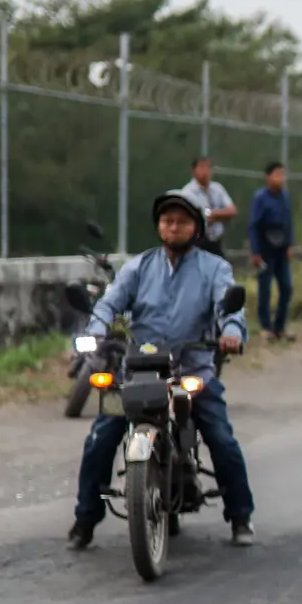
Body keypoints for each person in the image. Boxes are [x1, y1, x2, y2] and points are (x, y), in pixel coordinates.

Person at [69, 191, 254, 549]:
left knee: (222, 438)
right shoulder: (139, 267)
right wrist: (96, 331)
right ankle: (85, 519)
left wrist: (231, 332)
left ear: (196, 229)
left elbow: (229, 306)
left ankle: (240, 515)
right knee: (100, 439)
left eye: (181, 222)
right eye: (167, 221)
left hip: (191, 370)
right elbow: (109, 303)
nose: (173, 228)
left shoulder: (215, 269)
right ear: (158, 226)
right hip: (138, 372)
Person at [247, 162, 295, 343]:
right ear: (268, 177)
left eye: (282, 174)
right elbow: (253, 225)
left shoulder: (285, 196)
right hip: (265, 246)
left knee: (286, 287)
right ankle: (265, 327)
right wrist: (255, 251)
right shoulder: (260, 198)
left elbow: (289, 222)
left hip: (281, 246)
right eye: (277, 174)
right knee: (265, 288)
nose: (281, 178)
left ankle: (280, 326)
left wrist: (289, 244)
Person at [180, 156, 237, 259]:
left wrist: (214, 214)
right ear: (193, 171)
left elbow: (232, 211)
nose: (205, 171)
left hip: (216, 241)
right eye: (202, 167)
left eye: (208, 167)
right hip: (197, 242)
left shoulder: (218, 189)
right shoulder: (187, 193)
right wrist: (219, 216)